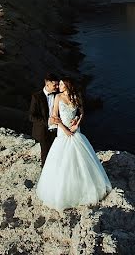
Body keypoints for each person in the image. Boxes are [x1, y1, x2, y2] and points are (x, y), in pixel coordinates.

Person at [36, 77, 112, 210]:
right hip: (62, 131)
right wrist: (64, 129)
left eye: (61, 83)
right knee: (63, 159)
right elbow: (54, 116)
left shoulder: (76, 96)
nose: (58, 85)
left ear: (67, 85)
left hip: (75, 130)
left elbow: (81, 113)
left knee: (80, 157)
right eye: (58, 83)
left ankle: (83, 185)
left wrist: (77, 123)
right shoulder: (58, 97)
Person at [29, 73, 60, 167]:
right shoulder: (36, 97)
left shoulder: (58, 95)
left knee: (58, 155)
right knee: (46, 157)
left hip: (58, 130)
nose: (57, 87)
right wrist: (47, 121)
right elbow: (31, 116)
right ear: (47, 84)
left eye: (58, 84)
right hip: (43, 132)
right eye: (55, 85)